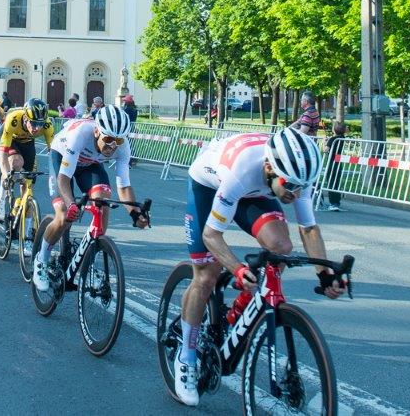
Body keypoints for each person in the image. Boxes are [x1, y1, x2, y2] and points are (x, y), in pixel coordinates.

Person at [173, 126, 345, 405]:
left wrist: (325, 275)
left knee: (281, 247)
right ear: (269, 167)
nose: (296, 193)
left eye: (302, 186)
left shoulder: (295, 174)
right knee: (206, 276)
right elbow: (211, 234)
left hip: (257, 188)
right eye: (290, 186)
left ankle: (244, 305)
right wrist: (237, 268)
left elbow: (309, 229)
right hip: (210, 185)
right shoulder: (240, 172)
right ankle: (186, 355)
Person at [33, 106, 150, 292]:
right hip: (62, 158)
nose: (113, 145)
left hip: (89, 165)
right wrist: (72, 204)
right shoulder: (80, 134)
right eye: (109, 138)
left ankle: (91, 264)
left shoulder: (123, 146)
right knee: (64, 216)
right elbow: (64, 178)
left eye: (118, 140)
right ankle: (42, 259)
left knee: (102, 202)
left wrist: (136, 215)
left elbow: (124, 185)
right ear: (97, 131)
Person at [0, 98, 55, 222]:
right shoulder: (13, 118)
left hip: (28, 144)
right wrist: (6, 175)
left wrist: (55, 175)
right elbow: (2, 155)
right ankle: (1, 196)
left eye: (40, 124)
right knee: (17, 163)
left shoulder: (47, 125)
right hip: (11, 140)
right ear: (25, 118)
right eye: (33, 123)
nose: (37, 128)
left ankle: (26, 231)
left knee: (28, 188)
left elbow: (54, 154)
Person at [323, 122, 348, 211]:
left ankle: (332, 202)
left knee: (330, 182)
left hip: (331, 162)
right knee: (336, 182)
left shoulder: (333, 139)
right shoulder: (342, 138)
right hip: (338, 162)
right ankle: (337, 202)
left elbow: (325, 150)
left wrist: (325, 142)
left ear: (334, 129)